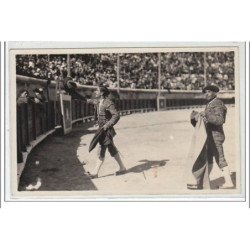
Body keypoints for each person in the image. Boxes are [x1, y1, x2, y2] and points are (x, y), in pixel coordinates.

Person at [85, 85, 127, 178]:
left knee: (101, 149)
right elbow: (88, 100)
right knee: (111, 148)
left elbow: (116, 115)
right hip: (101, 128)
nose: (95, 92)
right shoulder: (98, 101)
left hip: (106, 129)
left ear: (102, 93)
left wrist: (107, 125)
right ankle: (122, 168)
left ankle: (95, 173)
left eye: (97, 90)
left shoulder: (108, 102)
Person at [200, 85, 234, 188]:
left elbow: (220, 120)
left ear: (215, 93)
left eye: (209, 91)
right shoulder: (210, 103)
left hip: (216, 136)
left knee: (219, 158)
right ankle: (205, 181)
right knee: (209, 158)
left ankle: (229, 182)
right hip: (210, 136)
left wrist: (206, 115)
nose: (206, 94)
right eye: (205, 92)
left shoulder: (218, 103)